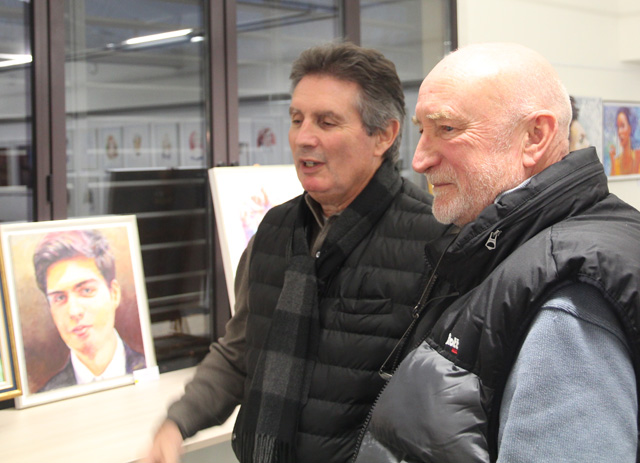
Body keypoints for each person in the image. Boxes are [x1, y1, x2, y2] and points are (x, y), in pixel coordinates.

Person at [144, 42, 450, 463]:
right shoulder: (275, 231)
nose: (304, 138)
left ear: (384, 135)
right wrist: (176, 423)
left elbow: (441, 404)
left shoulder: (434, 241)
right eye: (296, 119)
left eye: (326, 122)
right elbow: (241, 352)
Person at [352, 42, 640, 462]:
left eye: (447, 129)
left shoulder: (569, 299)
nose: (419, 159)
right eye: (421, 130)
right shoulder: (513, 248)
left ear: (534, 137)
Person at [33, 229, 146, 391]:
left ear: (114, 293)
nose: (74, 311)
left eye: (86, 291)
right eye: (59, 298)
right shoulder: (46, 395)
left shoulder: (147, 369)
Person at [609, 106, 640, 175]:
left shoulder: (638, 157)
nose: (619, 132)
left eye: (622, 126)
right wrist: (613, 161)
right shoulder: (616, 162)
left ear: (630, 128)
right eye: (618, 127)